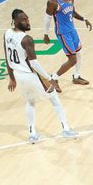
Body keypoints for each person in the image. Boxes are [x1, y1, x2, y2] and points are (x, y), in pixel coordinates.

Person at [4, 9, 78, 143]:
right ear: (15, 22)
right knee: (54, 98)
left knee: (30, 102)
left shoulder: (7, 33)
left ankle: (32, 134)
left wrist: (12, 78)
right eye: (23, 20)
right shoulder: (26, 39)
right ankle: (66, 129)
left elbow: (7, 58)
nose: (27, 22)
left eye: (27, 19)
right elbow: (34, 64)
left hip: (18, 75)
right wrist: (50, 79)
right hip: (29, 75)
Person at [43, 0, 92, 91]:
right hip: (63, 33)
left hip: (72, 30)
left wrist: (84, 19)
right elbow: (47, 18)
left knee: (78, 53)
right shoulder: (52, 2)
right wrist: (46, 34)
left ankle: (76, 76)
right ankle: (53, 78)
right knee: (72, 60)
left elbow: (73, 13)